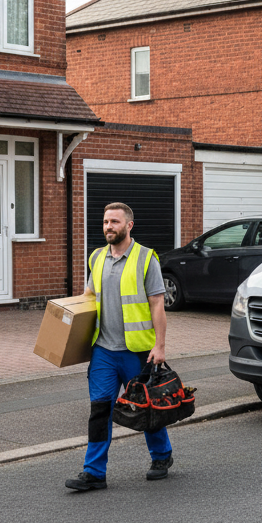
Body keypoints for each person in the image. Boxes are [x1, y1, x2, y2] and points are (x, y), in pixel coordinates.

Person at [65, 201, 173, 492]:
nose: (108, 227)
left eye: (114, 222)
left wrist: (160, 346)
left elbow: (157, 304)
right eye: (105, 222)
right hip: (103, 351)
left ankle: (161, 455)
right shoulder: (97, 257)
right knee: (100, 410)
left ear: (129, 225)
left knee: (145, 407)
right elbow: (89, 297)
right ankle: (94, 472)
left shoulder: (146, 258)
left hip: (137, 351)